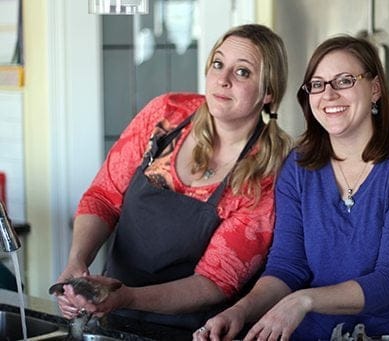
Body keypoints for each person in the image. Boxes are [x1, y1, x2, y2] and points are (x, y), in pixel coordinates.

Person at [193, 35, 389, 340]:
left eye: (344, 81)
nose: (329, 94)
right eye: (318, 84)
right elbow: (288, 267)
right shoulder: (298, 168)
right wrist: (240, 310)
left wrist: (304, 300)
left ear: (375, 89)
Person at [52, 23, 293, 332]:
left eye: (243, 72)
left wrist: (126, 297)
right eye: (218, 64)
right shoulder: (166, 114)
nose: (223, 79)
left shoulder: (270, 170)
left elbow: (215, 282)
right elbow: (103, 197)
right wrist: (76, 262)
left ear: (269, 92)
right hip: (112, 317)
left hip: (199, 330)